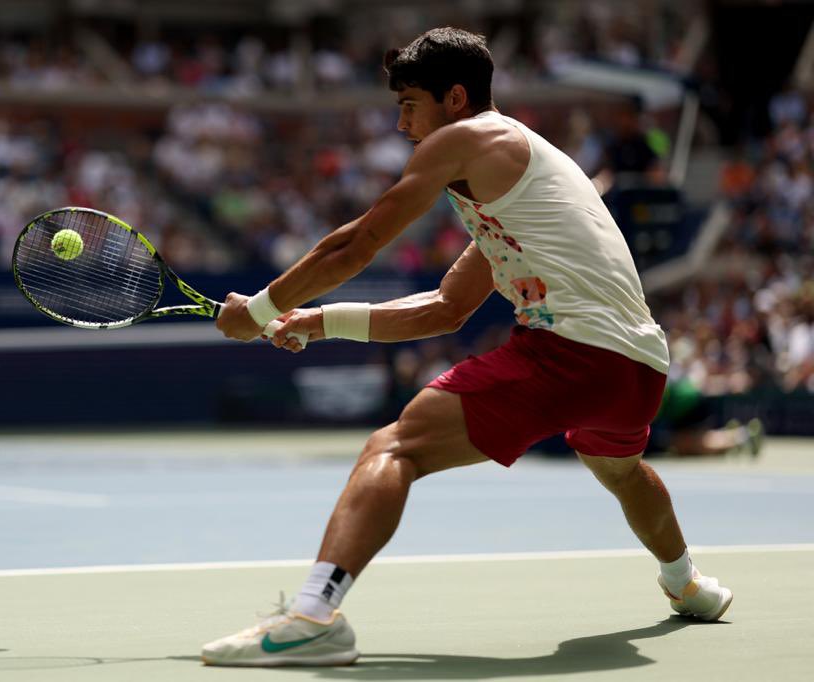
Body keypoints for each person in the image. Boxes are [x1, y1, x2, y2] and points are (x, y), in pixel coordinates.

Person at [207, 27, 733, 667]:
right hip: (638, 372)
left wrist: (259, 307)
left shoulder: (472, 137)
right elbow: (445, 308)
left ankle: (313, 616)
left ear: (455, 99)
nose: (402, 126)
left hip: (570, 352)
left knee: (394, 446)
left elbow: (360, 241)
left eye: (410, 106)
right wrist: (316, 322)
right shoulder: (519, 189)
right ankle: (689, 585)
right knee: (619, 470)